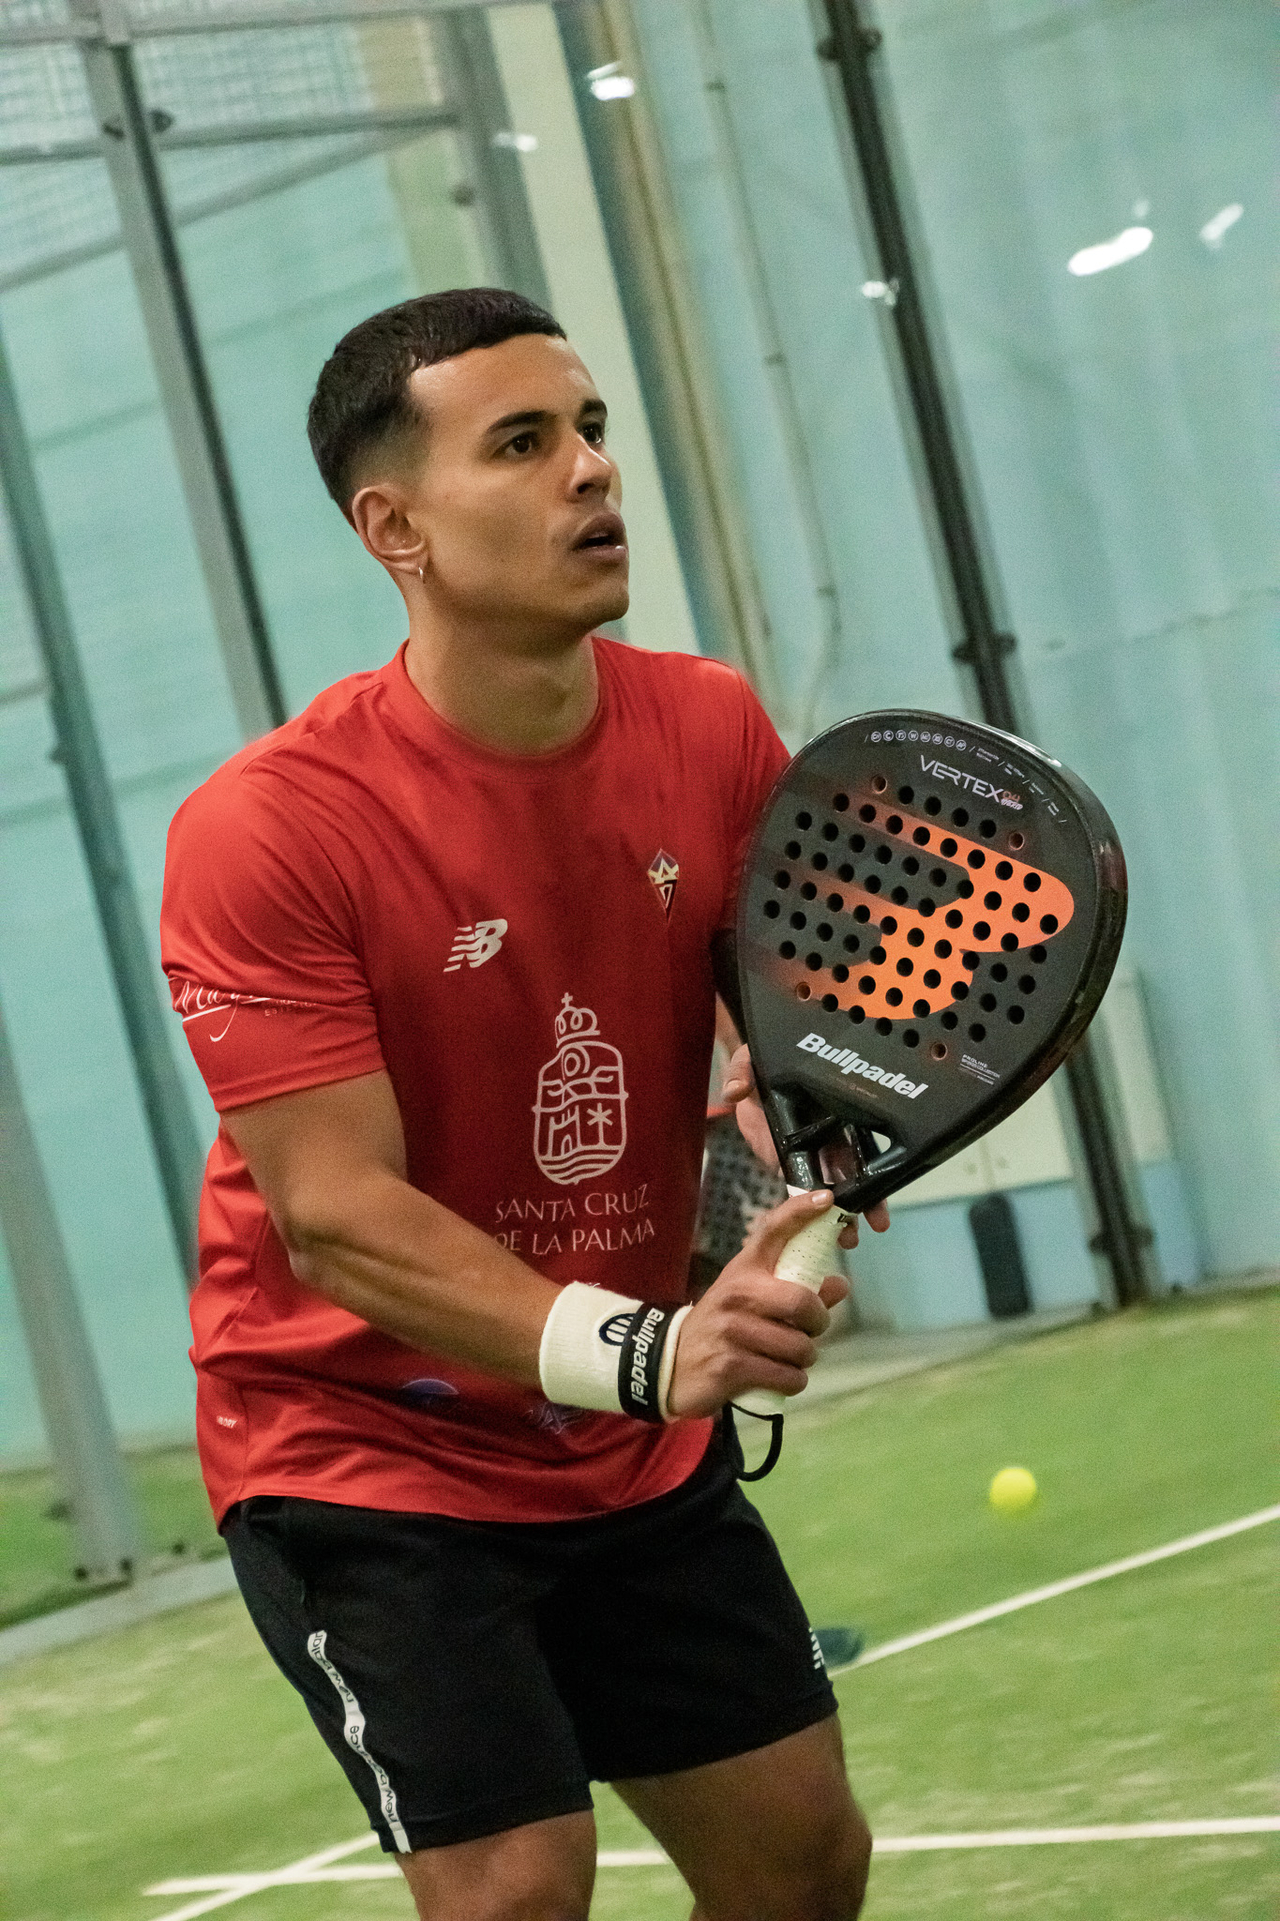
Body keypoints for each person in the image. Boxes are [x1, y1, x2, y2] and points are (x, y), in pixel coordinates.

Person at [161, 287, 888, 1921]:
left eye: (592, 428)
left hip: (627, 1442)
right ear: (395, 528)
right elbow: (337, 1219)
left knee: (800, 1857)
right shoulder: (269, 830)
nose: (589, 470)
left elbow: (787, 1028)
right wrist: (650, 1350)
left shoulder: (710, 726)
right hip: (364, 1445)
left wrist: (798, 1132)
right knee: (515, 1891)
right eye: (521, 443)